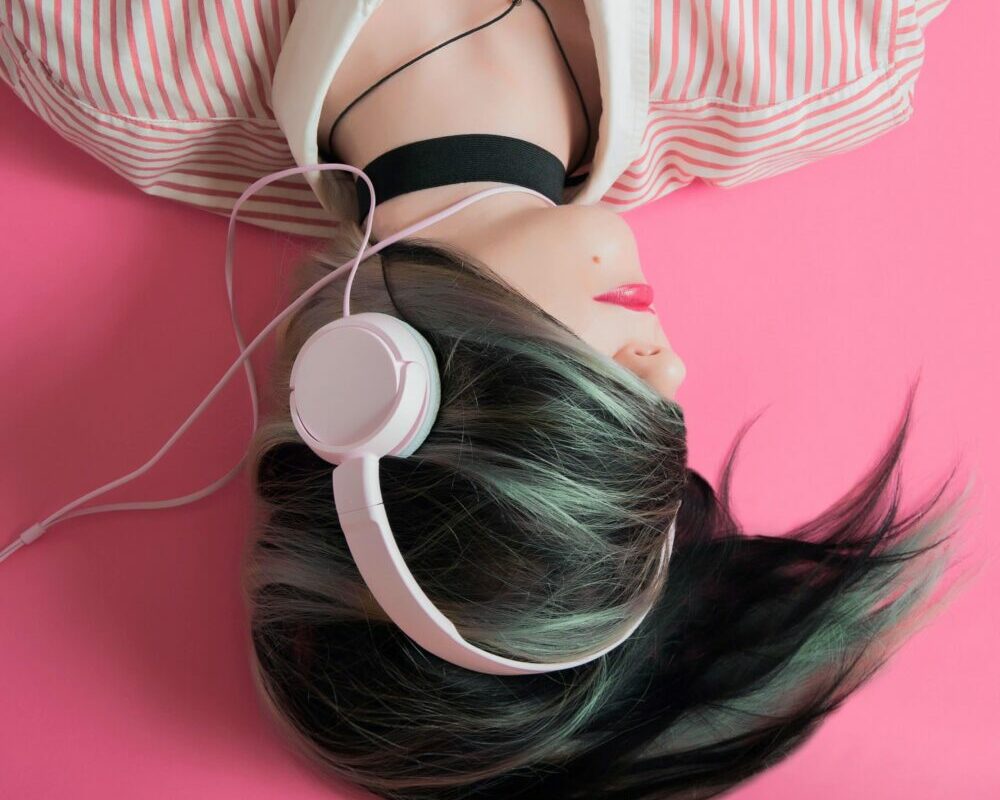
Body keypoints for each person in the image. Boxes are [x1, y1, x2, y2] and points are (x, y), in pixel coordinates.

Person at [0, 2, 968, 799]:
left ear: (376, 388)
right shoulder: (821, 47)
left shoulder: (111, 53)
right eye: (661, 451)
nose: (668, 379)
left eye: (600, 417)